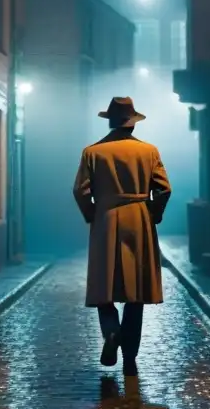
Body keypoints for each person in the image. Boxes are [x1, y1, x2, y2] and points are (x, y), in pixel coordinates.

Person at [72, 96, 172, 377]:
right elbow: (164, 189)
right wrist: (152, 213)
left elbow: (80, 190)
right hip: (138, 217)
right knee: (135, 291)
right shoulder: (149, 151)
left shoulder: (92, 152)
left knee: (104, 285)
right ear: (132, 124)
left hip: (106, 217)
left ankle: (111, 332)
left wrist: (93, 214)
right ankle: (130, 356)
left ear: (111, 122)